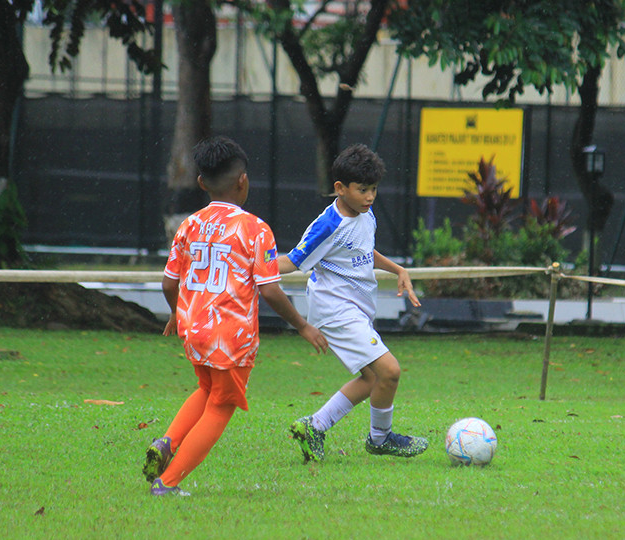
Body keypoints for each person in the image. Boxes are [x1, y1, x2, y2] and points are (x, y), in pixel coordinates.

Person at [142, 136, 328, 496]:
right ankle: (167, 483)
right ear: (243, 181)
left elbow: (169, 282)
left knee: (207, 388)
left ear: (201, 183)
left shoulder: (189, 225)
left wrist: (174, 314)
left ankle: (167, 443)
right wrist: (303, 325)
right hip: (230, 336)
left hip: (192, 329)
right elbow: (270, 289)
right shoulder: (255, 229)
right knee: (222, 405)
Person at [278, 143, 427, 462]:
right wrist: (247, 269)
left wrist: (398, 269)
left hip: (356, 307)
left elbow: (361, 252)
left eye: (373, 189)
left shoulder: (364, 212)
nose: (370, 196)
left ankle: (314, 426)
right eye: (363, 190)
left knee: (372, 378)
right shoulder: (328, 225)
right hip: (334, 310)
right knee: (390, 370)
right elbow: (291, 262)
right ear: (340, 189)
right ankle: (380, 438)